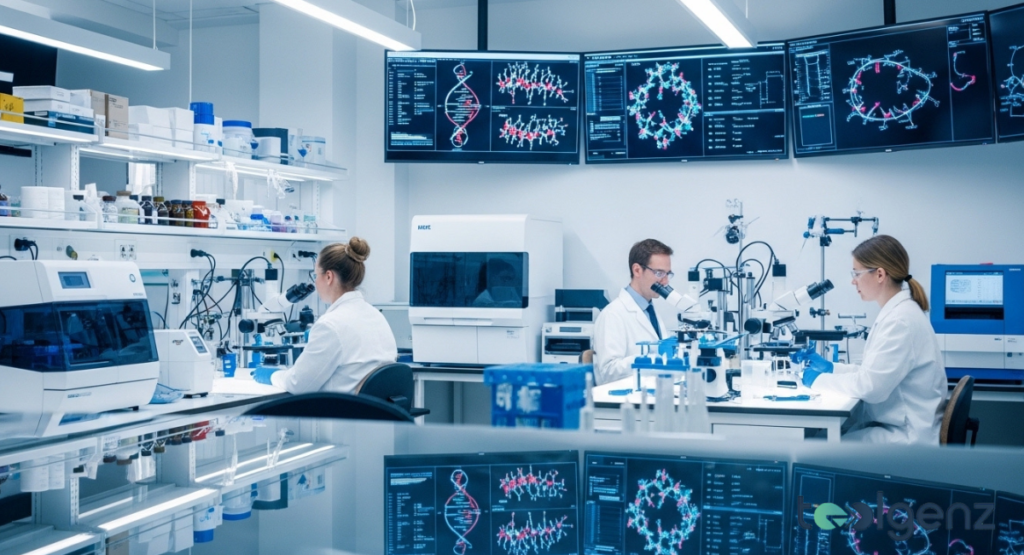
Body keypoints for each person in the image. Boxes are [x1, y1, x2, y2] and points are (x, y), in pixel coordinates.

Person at [794, 235, 947, 444]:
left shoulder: (900, 321)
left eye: (856, 273)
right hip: (898, 426)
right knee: (820, 440)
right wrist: (832, 368)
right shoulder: (898, 313)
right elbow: (873, 373)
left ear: (880, 275)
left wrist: (816, 380)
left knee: (816, 446)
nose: (853, 281)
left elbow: (871, 388)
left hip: (907, 437)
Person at [253, 237, 398, 394]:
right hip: (376, 409)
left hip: (342, 409)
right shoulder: (376, 316)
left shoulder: (330, 325)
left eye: (316, 275)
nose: (315, 282)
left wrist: (272, 375)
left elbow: (298, 384)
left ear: (329, 277)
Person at [593, 239, 673, 385]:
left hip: (653, 390)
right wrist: (649, 359)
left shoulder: (650, 310)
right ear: (637, 270)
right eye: (659, 273)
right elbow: (608, 371)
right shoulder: (613, 315)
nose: (665, 281)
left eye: (668, 274)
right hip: (626, 396)